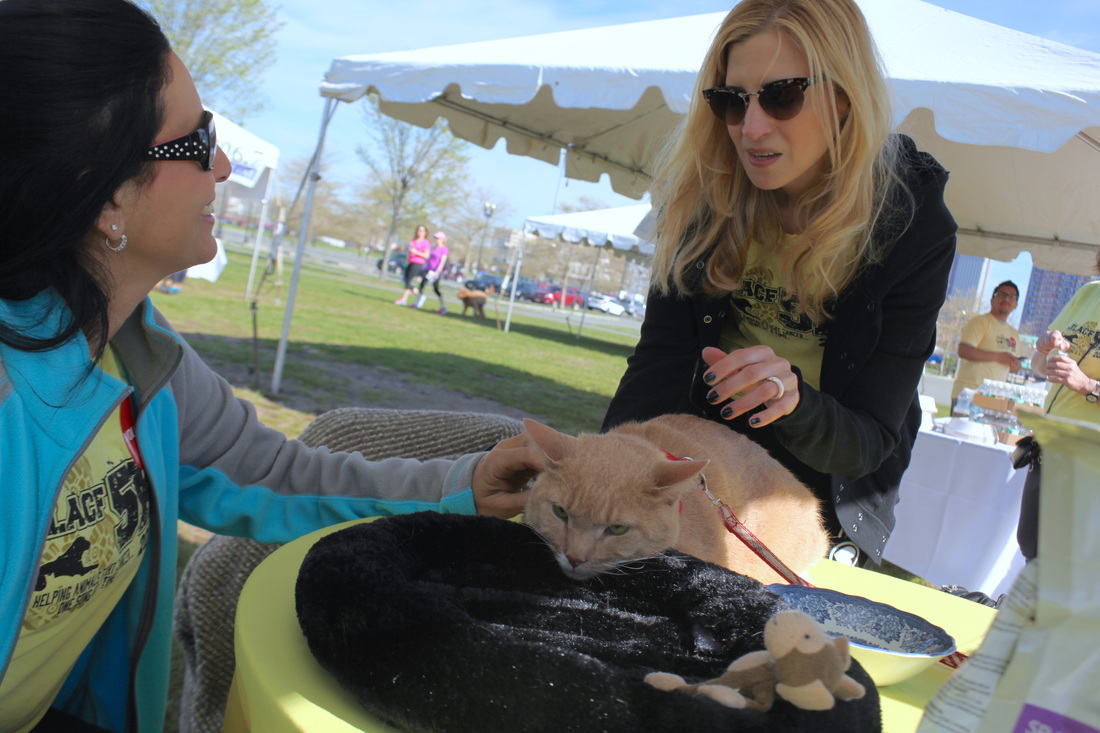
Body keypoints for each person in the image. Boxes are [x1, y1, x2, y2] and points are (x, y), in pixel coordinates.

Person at [0, 2, 543, 731]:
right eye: (198, 142)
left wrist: (464, 488)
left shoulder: (139, 352)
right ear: (107, 195)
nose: (222, 166)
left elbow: (275, 475)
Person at [602, 0, 957, 568]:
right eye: (731, 100)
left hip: (828, 496)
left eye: (782, 96)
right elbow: (659, 366)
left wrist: (793, 402)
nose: (751, 128)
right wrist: (606, 467)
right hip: (712, 471)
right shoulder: (702, 194)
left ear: (845, 97)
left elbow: (868, 441)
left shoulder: (913, 225)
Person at [1016, 252, 1100, 560]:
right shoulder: (1089, 292)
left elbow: (1079, 381)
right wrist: (1043, 348)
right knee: (1030, 543)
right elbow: (1041, 368)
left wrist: (1087, 384)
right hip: (1049, 445)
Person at [950, 281, 1021, 409]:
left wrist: (1015, 366)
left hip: (994, 397)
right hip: (968, 394)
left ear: (1015, 305)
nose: (1006, 299)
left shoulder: (1014, 333)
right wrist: (997, 357)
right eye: (1002, 294)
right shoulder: (979, 322)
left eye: (1012, 297)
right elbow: (963, 350)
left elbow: (1011, 367)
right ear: (992, 300)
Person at [394, 225, 431, 306]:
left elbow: (426, 255)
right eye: (418, 230)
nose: (419, 232)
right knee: (406, 281)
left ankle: (418, 296)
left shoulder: (425, 242)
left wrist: (416, 252)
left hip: (418, 263)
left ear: (425, 233)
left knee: (408, 281)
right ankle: (405, 299)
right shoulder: (413, 240)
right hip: (409, 262)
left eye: (421, 230)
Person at [415, 231, 450, 313]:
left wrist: (437, 271)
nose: (436, 239)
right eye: (435, 238)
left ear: (442, 239)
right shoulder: (433, 247)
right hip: (428, 270)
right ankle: (417, 303)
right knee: (421, 286)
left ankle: (443, 307)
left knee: (436, 289)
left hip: (435, 271)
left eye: (438, 238)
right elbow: (428, 259)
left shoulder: (444, 249)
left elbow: (442, 261)